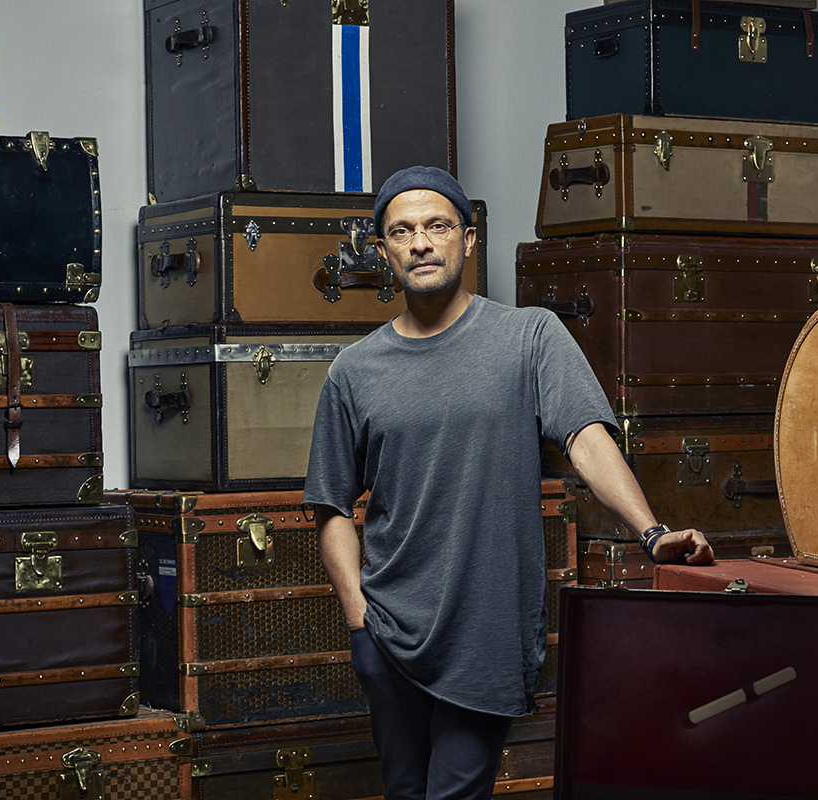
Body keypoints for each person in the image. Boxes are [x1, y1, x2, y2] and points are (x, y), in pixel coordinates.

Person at [304, 166, 714, 800]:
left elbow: (587, 439)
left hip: (485, 628)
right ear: (383, 250)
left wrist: (651, 532)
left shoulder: (530, 337)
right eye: (401, 231)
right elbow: (330, 505)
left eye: (437, 226)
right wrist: (359, 620)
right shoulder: (354, 370)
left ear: (469, 240)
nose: (420, 243)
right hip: (387, 633)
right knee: (406, 791)